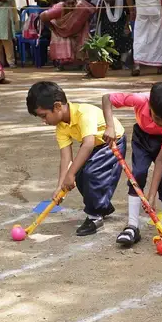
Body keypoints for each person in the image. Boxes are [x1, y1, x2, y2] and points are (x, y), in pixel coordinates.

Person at [26, 81, 125, 237]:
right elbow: (66, 157)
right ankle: (102, 206)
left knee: (92, 173)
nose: (43, 121)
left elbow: (88, 144)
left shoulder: (84, 113)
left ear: (58, 106)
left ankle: (95, 217)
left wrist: (70, 174)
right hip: (94, 145)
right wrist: (61, 186)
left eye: (44, 115)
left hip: (111, 142)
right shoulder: (61, 127)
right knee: (79, 175)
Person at [102, 82, 162, 247]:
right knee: (137, 175)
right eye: (156, 117)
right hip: (142, 138)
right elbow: (107, 98)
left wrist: (151, 196)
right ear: (150, 105)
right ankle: (132, 226)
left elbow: (160, 160)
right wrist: (110, 126)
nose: (160, 123)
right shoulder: (140, 100)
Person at [41, 0, 96, 68]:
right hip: (59, 30)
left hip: (75, 31)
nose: (71, 5)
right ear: (64, 2)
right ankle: (64, 63)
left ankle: (78, 63)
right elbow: (43, 16)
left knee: (84, 36)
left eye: (73, 3)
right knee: (65, 39)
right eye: (68, 3)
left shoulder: (79, 8)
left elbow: (91, 11)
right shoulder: (59, 8)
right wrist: (53, 28)